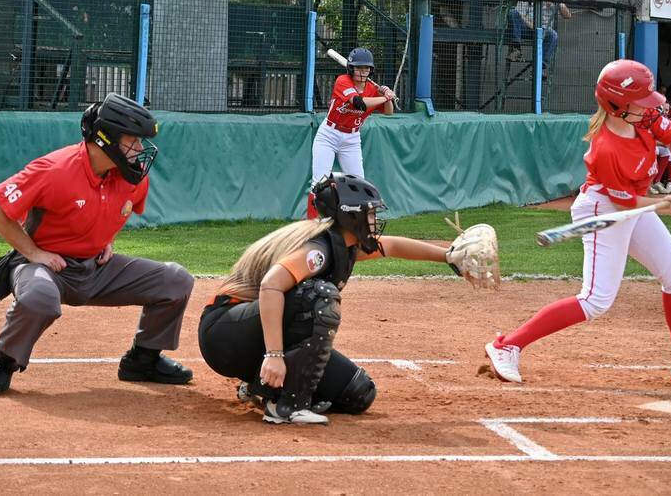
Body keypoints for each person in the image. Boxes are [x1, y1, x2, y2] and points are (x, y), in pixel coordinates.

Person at [483, 59, 671, 388]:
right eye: (640, 101)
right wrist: (665, 202)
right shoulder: (607, 149)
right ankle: (507, 345)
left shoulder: (645, 115)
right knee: (595, 300)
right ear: (618, 106)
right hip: (603, 209)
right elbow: (628, 202)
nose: (648, 107)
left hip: (632, 207)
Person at [199, 173, 498, 425]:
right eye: (369, 213)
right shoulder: (319, 249)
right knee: (318, 298)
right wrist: (275, 356)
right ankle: (285, 406)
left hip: (246, 335)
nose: (374, 220)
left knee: (358, 392)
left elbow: (391, 246)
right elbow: (270, 286)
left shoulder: (343, 243)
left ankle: (260, 386)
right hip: (225, 332)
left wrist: (447, 257)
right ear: (350, 216)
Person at [0, 93, 195, 397]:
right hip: (45, 267)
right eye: (134, 140)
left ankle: (143, 360)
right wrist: (34, 253)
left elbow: (120, 210)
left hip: (96, 268)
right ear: (107, 138)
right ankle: (3, 361)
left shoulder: (134, 178)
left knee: (175, 280)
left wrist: (106, 240)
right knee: (39, 297)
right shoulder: (54, 169)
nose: (141, 149)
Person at [307, 48, 396, 218]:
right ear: (351, 68)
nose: (363, 72)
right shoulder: (343, 81)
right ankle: (311, 227)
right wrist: (385, 97)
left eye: (366, 68)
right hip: (329, 134)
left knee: (358, 183)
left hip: (352, 138)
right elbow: (358, 103)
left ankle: (361, 227)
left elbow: (388, 112)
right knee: (319, 182)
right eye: (359, 67)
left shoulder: (372, 89)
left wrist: (388, 96)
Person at [506, 0, 572, 75]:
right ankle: (516, 49)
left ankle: (540, 67)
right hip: (528, 29)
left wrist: (559, 2)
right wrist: (534, 26)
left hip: (544, 33)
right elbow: (520, 15)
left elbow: (567, 15)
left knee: (553, 35)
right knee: (512, 13)